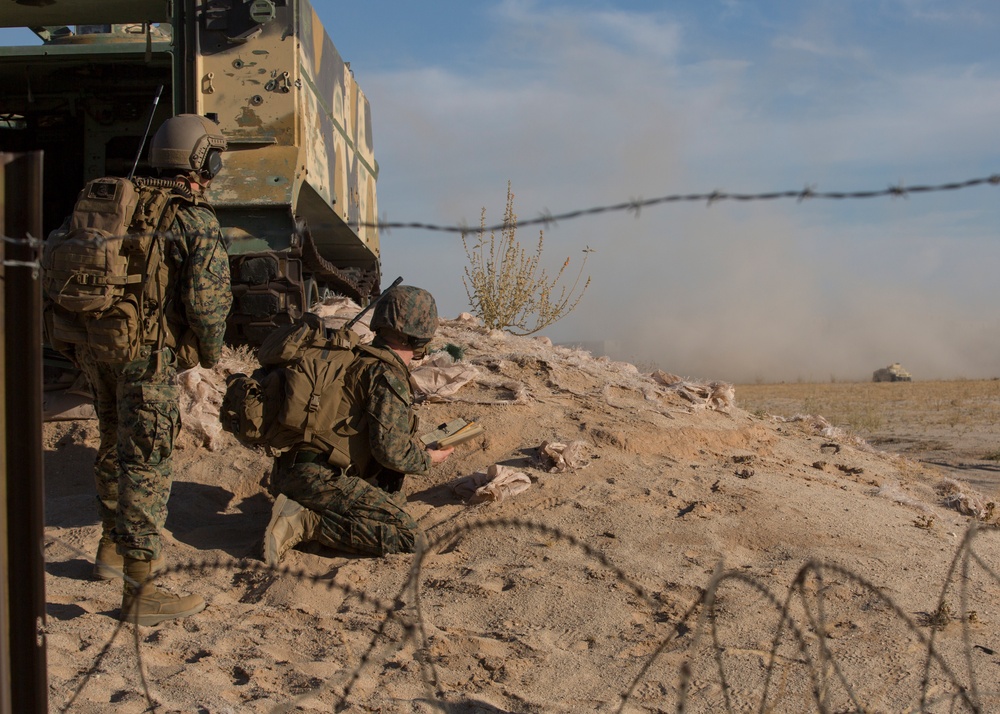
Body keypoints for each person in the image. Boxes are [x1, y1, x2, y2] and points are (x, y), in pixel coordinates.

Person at [73, 114, 232, 625]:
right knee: (146, 462)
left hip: (99, 348)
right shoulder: (193, 219)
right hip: (149, 357)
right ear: (201, 161)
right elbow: (208, 305)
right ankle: (141, 591)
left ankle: (112, 550)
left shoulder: (112, 200)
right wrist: (209, 356)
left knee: (113, 442)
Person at [264, 284, 453, 563]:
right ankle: (305, 522)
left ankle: (299, 509)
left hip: (290, 471)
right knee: (408, 538)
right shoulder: (387, 373)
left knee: (388, 503)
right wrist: (427, 459)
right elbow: (390, 451)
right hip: (322, 480)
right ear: (420, 334)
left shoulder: (355, 357)